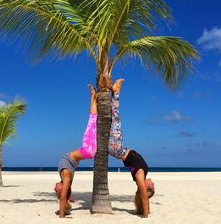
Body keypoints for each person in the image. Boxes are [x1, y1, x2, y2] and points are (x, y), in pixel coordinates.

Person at [108, 79, 155, 218]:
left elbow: (144, 199)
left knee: (115, 120)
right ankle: (112, 93)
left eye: (152, 186)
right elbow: (143, 198)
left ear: (145, 187)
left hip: (117, 149)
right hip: (118, 149)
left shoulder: (140, 176)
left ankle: (115, 92)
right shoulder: (141, 175)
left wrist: (145, 215)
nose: (153, 183)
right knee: (112, 121)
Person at [55, 84, 98, 218]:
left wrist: (67, 200)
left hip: (87, 151)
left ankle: (93, 97)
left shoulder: (65, 179)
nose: (54, 189)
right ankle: (93, 97)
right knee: (92, 121)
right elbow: (63, 198)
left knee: (93, 122)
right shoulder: (66, 177)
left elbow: (65, 197)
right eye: (57, 191)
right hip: (88, 150)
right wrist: (62, 215)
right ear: (63, 190)